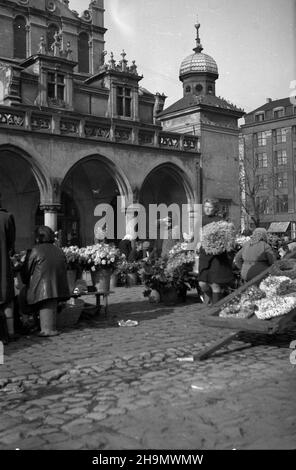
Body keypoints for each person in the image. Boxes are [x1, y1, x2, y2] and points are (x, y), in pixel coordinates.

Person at [20, 226, 70, 337]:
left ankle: (33, 324)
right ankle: (44, 325)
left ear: (38, 238)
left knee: (22, 293)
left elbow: (26, 272)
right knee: (46, 297)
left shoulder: (36, 250)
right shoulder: (58, 250)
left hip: (41, 291)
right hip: (59, 288)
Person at [198, 198, 234, 305]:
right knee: (202, 284)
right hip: (205, 255)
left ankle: (216, 306)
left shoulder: (220, 221)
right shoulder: (201, 220)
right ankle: (216, 301)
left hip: (217, 256)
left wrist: (218, 246)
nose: (207, 209)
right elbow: (198, 235)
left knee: (215, 284)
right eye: (206, 207)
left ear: (215, 209)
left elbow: (227, 237)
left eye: (210, 207)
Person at [0, 200, 16, 342]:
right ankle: (10, 333)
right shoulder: (6, 217)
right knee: (6, 299)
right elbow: (11, 244)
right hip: (2, 266)